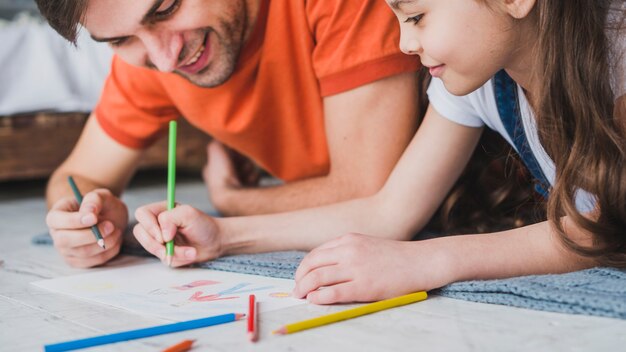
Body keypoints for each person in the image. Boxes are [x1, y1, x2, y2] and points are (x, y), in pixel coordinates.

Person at [133, 0, 626, 304]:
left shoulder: (618, 51)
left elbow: (607, 227)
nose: (404, 42)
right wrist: (222, 234)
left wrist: (428, 261)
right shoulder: (475, 82)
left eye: (415, 16)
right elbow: (389, 211)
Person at [36, 0, 423, 268]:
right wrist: (84, 218)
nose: (165, 59)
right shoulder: (148, 61)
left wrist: (233, 201)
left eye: (168, 8)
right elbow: (73, 178)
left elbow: (373, 196)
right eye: (120, 40)